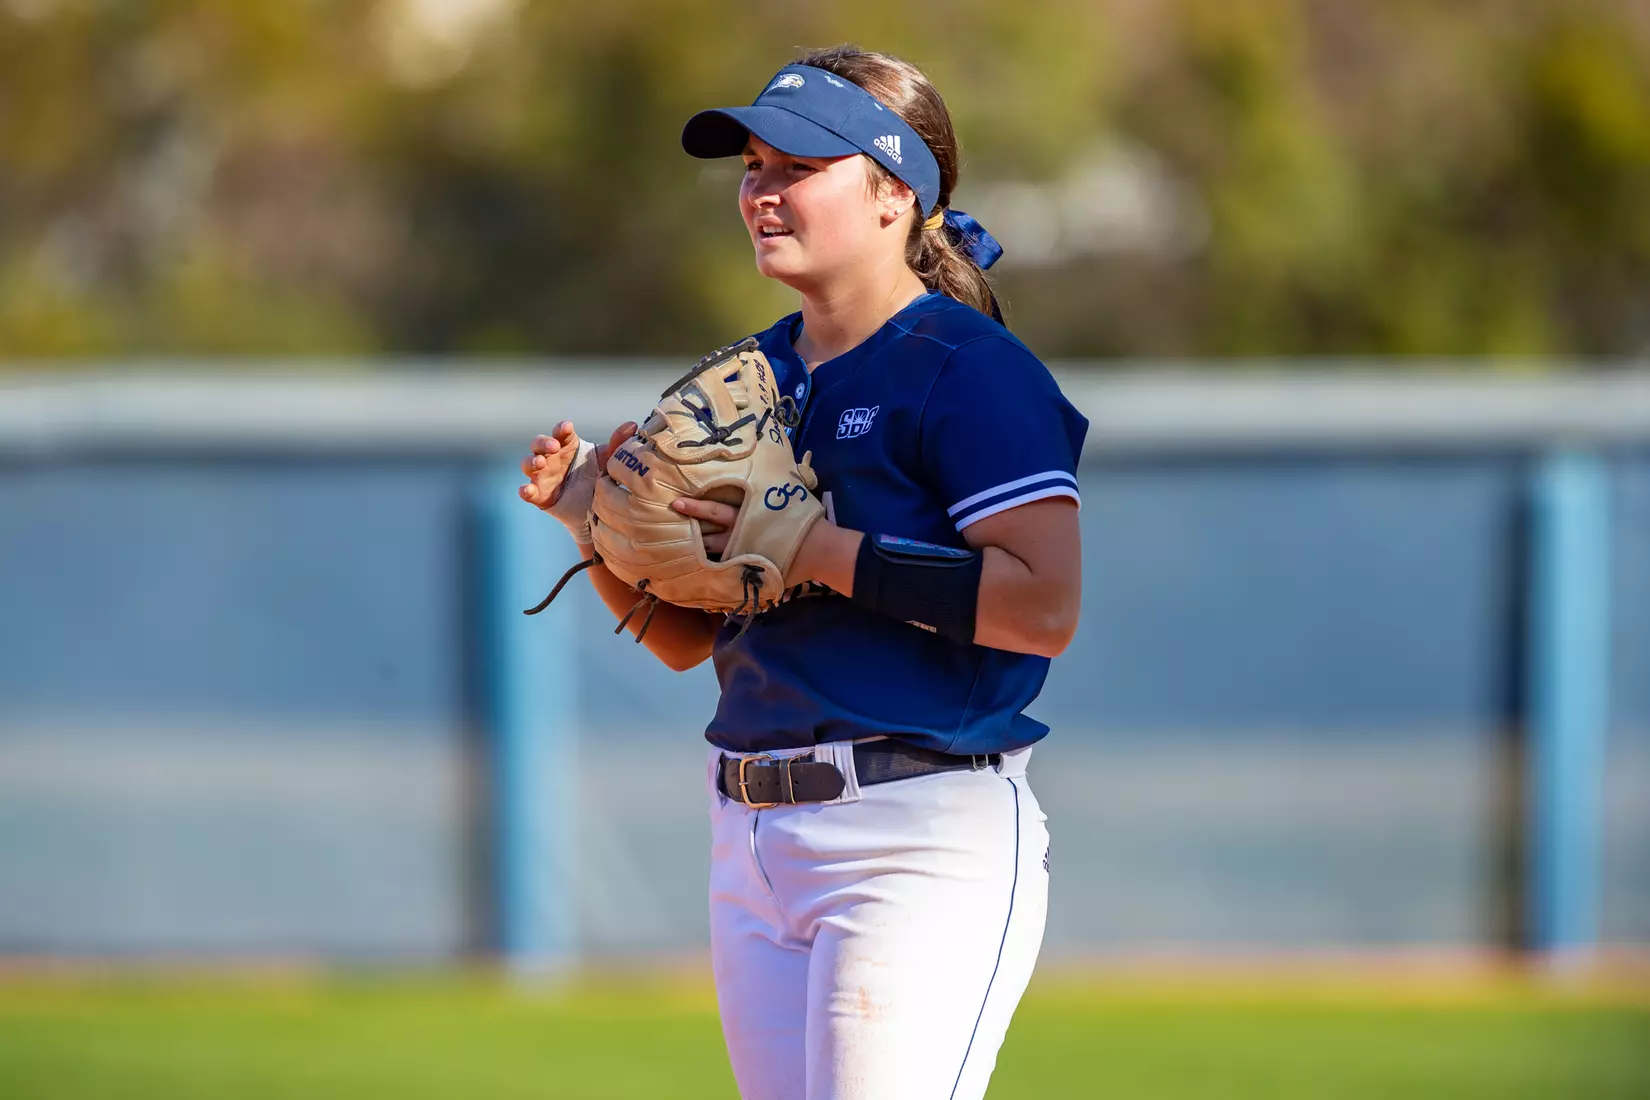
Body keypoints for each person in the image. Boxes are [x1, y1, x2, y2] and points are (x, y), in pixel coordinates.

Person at [518, 45, 1087, 1100]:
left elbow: (1043, 607)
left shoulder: (968, 369)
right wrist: (591, 522)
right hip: (752, 836)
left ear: (894, 193)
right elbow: (692, 640)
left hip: (915, 832)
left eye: (800, 166)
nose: (762, 192)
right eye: (754, 167)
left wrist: (816, 547)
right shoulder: (755, 375)